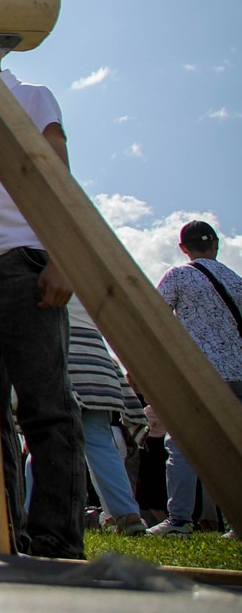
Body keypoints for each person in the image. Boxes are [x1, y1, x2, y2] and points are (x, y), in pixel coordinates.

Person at [0, 44, 84, 557]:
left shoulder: (31, 97)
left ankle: (56, 538)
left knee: (45, 406)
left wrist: (64, 256)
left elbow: (60, 181)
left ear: (6, 44)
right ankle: (3, 534)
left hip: (24, 260)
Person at [149, 219, 242, 535]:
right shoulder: (236, 281)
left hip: (199, 373)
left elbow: (156, 317)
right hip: (239, 374)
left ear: (183, 247)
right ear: (216, 244)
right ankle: (236, 523)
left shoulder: (178, 275)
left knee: (181, 445)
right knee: (235, 449)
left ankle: (179, 520)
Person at [68, 297, 147, 535]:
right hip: (97, 360)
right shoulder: (86, 284)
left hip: (61, 351)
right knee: (101, 443)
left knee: (47, 440)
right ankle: (127, 513)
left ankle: (37, 514)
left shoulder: (39, 275)